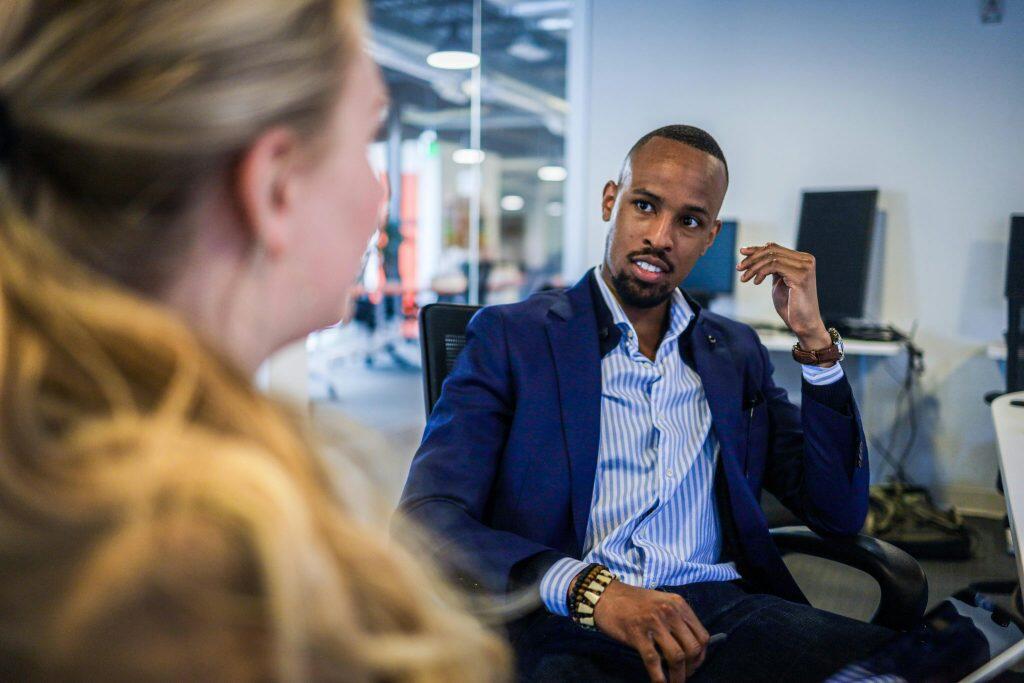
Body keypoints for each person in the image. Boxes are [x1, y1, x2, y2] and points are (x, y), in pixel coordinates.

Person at [0, 0, 506, 680]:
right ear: (274, 186)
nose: (376, 193)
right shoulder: (195, 580)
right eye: (364, 141)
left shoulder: (51, 449)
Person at [400, 125, 895, 682]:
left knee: (905, 669)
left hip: (720, 614)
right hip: (575, 620)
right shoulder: (514, 338)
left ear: (709, 237)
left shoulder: (733, 352)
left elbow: (838, 511)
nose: (661, 237)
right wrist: (591, 589)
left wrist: (815, 342)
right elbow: (426, 517)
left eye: (688, 221)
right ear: (611, 201)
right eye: (645, 206)